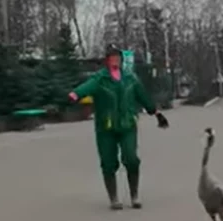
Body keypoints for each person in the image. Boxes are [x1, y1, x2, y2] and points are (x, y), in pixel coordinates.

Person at [69, 45, 169, 210]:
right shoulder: (100, 79)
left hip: (127, 124)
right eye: (112, 58)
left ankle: (134, 195)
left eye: (118, 58)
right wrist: (75, 94)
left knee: (131, 158)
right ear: (107, 61)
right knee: (108, 162)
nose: (115, 61)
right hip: (105, 127)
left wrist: (156, 112)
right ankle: (114, 198)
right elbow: (87, 87)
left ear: (121, 60)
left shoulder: (130, 78)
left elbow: (142, 96)